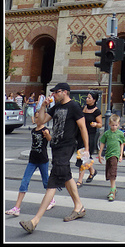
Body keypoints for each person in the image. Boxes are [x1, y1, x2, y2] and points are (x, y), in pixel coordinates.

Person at [18, 82, 89, 234]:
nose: (54, 95)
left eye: (56, 92)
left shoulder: (74, 107)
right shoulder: (56, 107)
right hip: (55, 147)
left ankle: (34, 221)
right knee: (66, 176)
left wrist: (87, 150)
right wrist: (43, 106)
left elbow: (83, 128)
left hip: (67, 147)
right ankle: (79, 207)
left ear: (65, 92)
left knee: (52, 182)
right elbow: (40, 121)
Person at [6, 121, 56, 216]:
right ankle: (17, 207)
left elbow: (50, 140)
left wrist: (47, 134)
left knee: (46, 182)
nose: (35, 119)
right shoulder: (33, 130)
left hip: (43, 160)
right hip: (32, 160)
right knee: (24, 181)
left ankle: (51, 200)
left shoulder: (45, 130)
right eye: (35, 117)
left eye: (37, 117)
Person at [76, 91, 102, 187]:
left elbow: (100, 124)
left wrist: (95, 124)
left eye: (89, 98)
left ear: (94, 100)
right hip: (81, 135)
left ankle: (80, 180)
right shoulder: (83, 108)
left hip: (90, 136)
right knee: (82, 156)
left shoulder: (96, 111)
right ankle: (92, 171)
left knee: (84, 157)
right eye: (87, 97)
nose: (87, 99)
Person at [98, 114, 125, 201]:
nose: (114, 127)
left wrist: (121, 155)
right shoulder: (107, 133)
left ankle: (112, 190)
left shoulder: (120, 133)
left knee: (113, 171)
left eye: (116, 125)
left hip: (115, 155)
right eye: (113, 125)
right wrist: (100, 153)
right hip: (108, 154)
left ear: (118, 124)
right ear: (109, 124)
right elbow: (102, 142)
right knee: (109, 171)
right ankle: (114, 188)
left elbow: (122, 144)